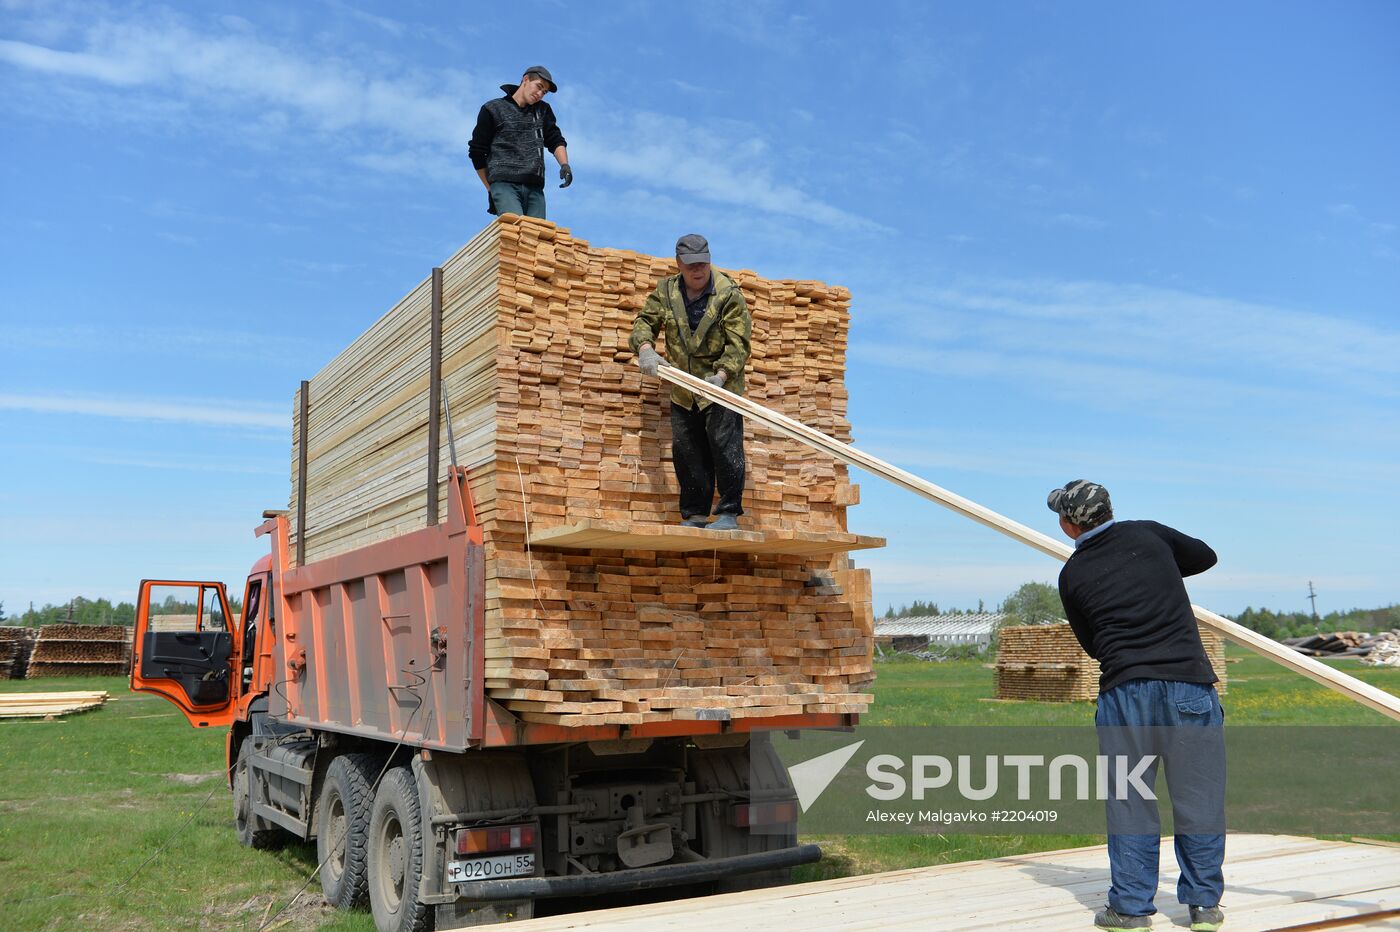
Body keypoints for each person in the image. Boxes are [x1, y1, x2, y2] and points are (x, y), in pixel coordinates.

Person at [1047, 480, 1227, 932]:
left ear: (1069, 525)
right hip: (1189, 686)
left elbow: (1092, 646)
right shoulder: (1149, 535)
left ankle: (1129, 909)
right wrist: (1158, 570)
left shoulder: (1072, 575)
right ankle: (1204, 907)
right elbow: (1205, 556)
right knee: (1198, 798)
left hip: (1125, 694)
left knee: (1131, 801)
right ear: (1109, 510)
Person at [630, 234, 751, 530]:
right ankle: (695, 514)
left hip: (719, 385)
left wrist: (721, 376)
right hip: (683, 386)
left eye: (703, 264)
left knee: (725, 448)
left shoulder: (727, 294)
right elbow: (644, 322)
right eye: (692, 265)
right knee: (687, 451)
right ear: (679, 265)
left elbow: (739, 344)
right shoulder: (667, 291)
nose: (699, 270)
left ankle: (728, 514)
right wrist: (645, 350)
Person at [468, 65, 571, 219]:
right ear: (525, 80)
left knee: (537, 238)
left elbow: (555, 139)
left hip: (535, 187)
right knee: (517, 232)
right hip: (504, 184)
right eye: (539, 87)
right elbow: (476, 153)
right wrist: (491, 189)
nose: (540, 94)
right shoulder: (492, 109)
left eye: (544, 92)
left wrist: (565, 165)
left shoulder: (543, 111)